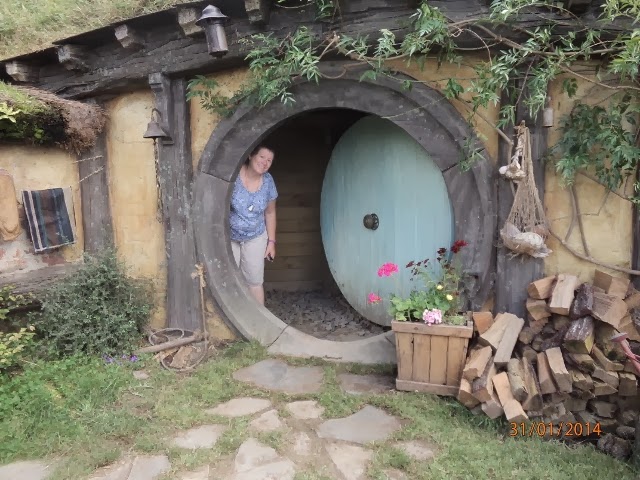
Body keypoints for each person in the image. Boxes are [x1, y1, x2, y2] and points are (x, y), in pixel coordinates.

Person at [229, 144, 278, 305]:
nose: (265, 162)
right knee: (230, 279)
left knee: (255, 281)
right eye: (262, 157)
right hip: (230, 236)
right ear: (251, 155)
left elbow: (270, 213)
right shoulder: (233, 175)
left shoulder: (268, 181)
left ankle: (258, 318)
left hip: (255, 236)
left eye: (269, 160)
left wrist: (271, 242)